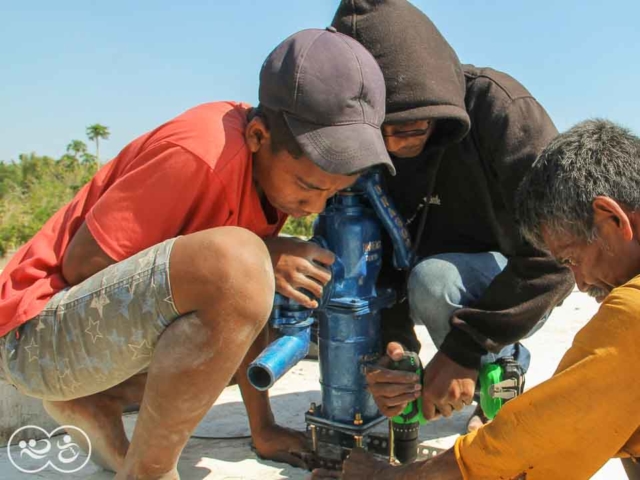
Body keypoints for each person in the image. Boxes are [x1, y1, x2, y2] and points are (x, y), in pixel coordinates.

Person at [0, 28, 394, 480]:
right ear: (258, 136)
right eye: (308, 187)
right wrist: (259, 254)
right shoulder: (200, 153)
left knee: (245, 282)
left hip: (96, 349)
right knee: (240, 264)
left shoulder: (266, 177)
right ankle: (148, 473)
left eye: (332, 193)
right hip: (34, 339)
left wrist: (263, 429)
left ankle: (92, 403)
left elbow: (237, 310)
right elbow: (82, 266)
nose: (315, 207)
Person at [313, 120, 640, 479]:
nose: (579, 283)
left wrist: (389, 476)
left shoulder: (633, 312)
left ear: (613, 219)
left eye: (572, 258)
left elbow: (543, 438)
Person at [331, 0, 574, 430]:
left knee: (435, 280)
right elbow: (378, 261)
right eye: (380, 131)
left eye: (410, 127)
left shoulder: (500, 108)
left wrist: (464, 349)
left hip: (520, 282)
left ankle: (498, 389)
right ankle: (486, 363)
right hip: (427, 279)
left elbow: (561, 256)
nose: (394, 144)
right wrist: (397, 348)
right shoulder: (362, 143)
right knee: (408, 275)